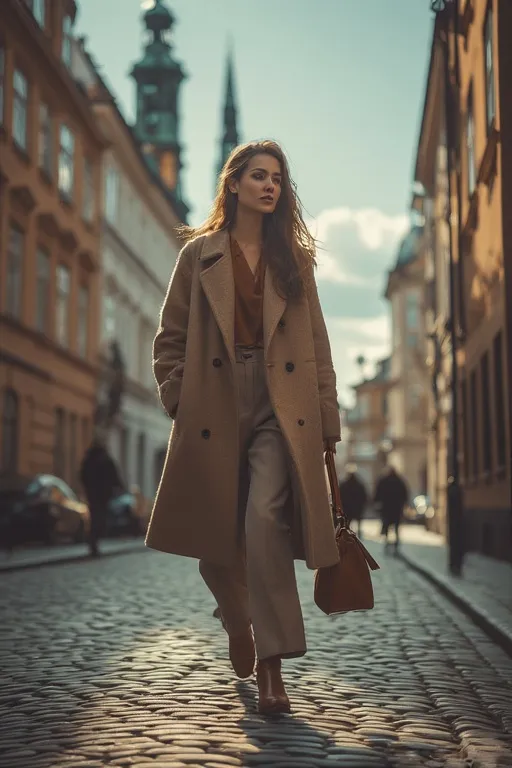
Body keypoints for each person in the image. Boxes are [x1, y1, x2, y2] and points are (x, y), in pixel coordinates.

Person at [145, 140, 341, 715]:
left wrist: (326, 417)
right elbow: (169, 339)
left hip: (281, 407)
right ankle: (238, 624)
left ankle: (270, 669)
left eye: (277, 177)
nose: (270, 186)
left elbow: (319, 346)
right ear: (233, 184)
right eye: (258, 175)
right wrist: (180, 395)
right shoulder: (199, 254)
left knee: (262, 525)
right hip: (214, 401)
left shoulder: (293, 260)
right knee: (215, 544)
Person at [80, 433, 123, 557]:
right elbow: (114, 475)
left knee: (96, 518)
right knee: (99, 519)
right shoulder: (104, 459)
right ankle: (94, 542)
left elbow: (83, 475)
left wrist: (88, 488)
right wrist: (118, 487)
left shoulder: (90, 459)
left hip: (95, 495)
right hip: (101, 495)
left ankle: (93, 542)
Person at [373, 466, 408, 554]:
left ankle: (387, 542)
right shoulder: (399, 481)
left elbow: (377, 492)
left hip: (387, 507)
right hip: (396, 507)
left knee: (387, 525)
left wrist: (376, 502)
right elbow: (405, 493)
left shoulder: (384, 480)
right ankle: (395, 543)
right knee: (396, 526)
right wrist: (404, 503)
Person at [338, 466, 368, 539]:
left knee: (348, 522)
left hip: (347, 508)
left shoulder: (344, 484)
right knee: (358, 521)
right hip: (357, 507)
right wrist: (363, 504)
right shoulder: (359, 484)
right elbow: (364, 496)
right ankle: (359, 534)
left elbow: (340, 496)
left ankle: (347, 534)